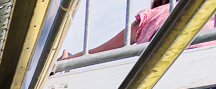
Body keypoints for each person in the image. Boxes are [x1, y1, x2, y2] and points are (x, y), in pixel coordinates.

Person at [60, 0, 215, 58]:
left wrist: (69, 60)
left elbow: (100, 50)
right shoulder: (148, 17)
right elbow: (101, 50)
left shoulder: (148, 17)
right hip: (198, 69)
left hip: (157, 77)